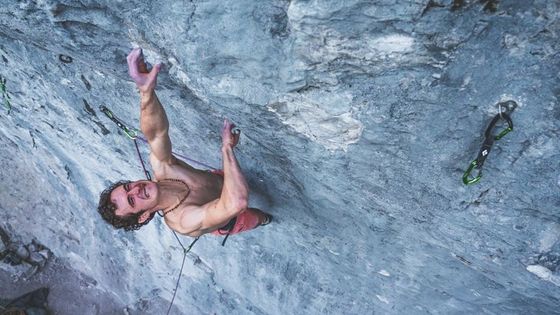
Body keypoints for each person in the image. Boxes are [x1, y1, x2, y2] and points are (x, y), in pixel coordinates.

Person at [97, 48, 271, 238]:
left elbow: (155, 134)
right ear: (143, 216)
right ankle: (265, 220)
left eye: (128, 187)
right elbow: (236, 203)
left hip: (220, 178)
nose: (136, 190)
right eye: (132, 201)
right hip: (230, 216)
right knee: (257, 218)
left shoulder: (163, 170)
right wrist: (227, 149)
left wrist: (146, 93)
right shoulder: (183, 220)